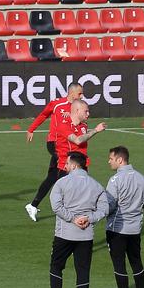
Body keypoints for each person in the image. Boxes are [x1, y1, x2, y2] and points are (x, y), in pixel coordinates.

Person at [45, 151, 110, 288]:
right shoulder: (96, 185)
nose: (65, 166)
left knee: (56, 266)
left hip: (64, 234)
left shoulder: (62, 183)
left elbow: (56, 207)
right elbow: (104, 208)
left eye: (67, 163)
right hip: (85, 235)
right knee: (82, 270)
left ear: (74, 165)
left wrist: (73, 219)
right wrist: (89, 218)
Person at [24, 83, 85, 222]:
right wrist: (31, 129)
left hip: (69, 146)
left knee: (52, 177)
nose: (82, 96)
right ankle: (66, 208)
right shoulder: (57, 104)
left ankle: (33, 205)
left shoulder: (78, 108)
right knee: (64, 172)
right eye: (80, 93)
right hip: (54, 143)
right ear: (72, 93)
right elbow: (44, 114)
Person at [103, 145, 144, 288]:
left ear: (120, 159)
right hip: (135, 228)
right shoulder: (143, 178)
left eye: (111, 159)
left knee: (119, 264)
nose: (109, 162)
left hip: (117, 229)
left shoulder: (115, 180)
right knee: (136, 261)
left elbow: (109, 205)